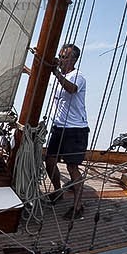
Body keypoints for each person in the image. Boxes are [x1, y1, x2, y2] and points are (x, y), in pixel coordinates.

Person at [39, 44, 89, 216]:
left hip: (76, 130)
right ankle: (58, 190)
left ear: (74, 59)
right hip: (59, 127)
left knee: (72, 167)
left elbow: (71, 89)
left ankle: (78, 205)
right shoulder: (57, 76)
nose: (60, 60)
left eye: (64, 57)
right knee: (50, 161)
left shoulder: (78, 77)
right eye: (60, 56)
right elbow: (40, 77)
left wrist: (56, 73)